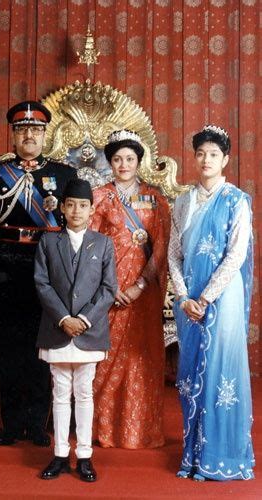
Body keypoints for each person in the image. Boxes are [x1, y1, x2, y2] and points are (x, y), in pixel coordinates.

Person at [0, 100, 77, 447]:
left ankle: (37, 424)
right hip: (8, 271)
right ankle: (11, 424)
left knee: (42, 349)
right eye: (23, 130)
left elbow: (71, 228)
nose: (30, 135)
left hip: (48, 271)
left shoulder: (64, 174)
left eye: (36, 130)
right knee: (11, 350)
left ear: (45, 134)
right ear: (14, 135)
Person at [168, 125, 254, 481]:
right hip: (189, 300)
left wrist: (205, 297)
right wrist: (184, 296)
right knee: (190, 375)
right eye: (201, 153)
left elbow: (236, 255)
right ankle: (192, 454)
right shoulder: (183, 200)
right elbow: (174, 252)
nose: (206, 160)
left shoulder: (236, 200)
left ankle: (222, 457)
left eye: (214, 155)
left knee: (221, 373)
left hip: (222, 298)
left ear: (226, 160)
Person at [90, 129, 170, 449]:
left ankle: (140, 432)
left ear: (139, 162)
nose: (124, 164)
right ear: (110, 162)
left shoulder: (154, 197)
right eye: (118, 159)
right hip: (108, 290)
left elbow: (162, 245)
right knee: (105, 359)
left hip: (143, 291)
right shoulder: (98, 196)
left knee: (141, 359)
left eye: (130, 159)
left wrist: (139, 285)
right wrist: (108, 287)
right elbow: (89, 246)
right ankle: (104, 430)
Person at [34, 179, 117, 482]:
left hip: (88, 330)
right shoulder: (49, 241)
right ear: (62, 208)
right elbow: (42, 283)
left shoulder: (104, 243)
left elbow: (109, 289)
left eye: (83, 205)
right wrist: (62, 318)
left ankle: (84, 456)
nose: (77, 211)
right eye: (71, 205)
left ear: (92, 209)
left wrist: (83, 319)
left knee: (84, 393)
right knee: (59, 392)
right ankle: (59, 454)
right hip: (57, 329)